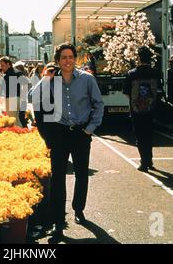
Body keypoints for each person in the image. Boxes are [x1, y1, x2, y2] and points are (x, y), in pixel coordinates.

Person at [30, 43, 104, 243]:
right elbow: (32, 97)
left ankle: (78, 209)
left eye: (71, 57)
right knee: (58, 178)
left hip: (81, 134)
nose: (67, 60)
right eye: (63, 57)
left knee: (81, 174)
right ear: (57, 60)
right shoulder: (51, 80)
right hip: (60, 135)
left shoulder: (87, 79)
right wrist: (45, 78)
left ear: (75, 58)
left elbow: (98, 105)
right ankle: (57, 220)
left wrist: (90, 129)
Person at [123, 46, 162, 173]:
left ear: (138, 58)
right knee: (149, 134)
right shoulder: (155, 72)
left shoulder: (131, 74)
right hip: (151, 109)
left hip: (136, 109)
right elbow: (159, 90)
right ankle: (149, 160)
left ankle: (143, 162)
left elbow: (127, 92)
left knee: (139, 135)